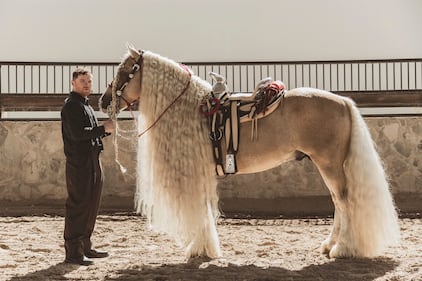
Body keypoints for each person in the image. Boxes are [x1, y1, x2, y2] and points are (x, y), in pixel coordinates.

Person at [61, 68, 115, 266]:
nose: (86, 84)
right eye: (82, 80)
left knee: (91, 205)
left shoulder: (86, 106)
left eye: (89, 81)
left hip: (92, 161)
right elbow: (78, 134)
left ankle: (85, 247)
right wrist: (103, 129)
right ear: (73, 83)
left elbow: (90, 134)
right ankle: (73, 254)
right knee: (78, 206)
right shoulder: (71, 106)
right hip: (79, 164)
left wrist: (104, 131)